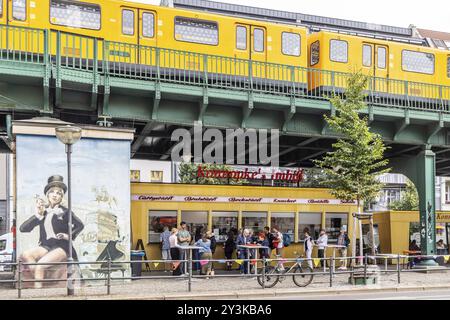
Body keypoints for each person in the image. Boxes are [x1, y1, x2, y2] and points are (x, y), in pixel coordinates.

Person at [19, 175, 84, 289]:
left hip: (62, 247)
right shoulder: (43, 211)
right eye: (52, 192)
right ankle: (40, 280)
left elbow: (80, 225)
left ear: (61, 197)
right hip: (47, 246)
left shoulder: (65, 212)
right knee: (26, 255)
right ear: (47, 194)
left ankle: (38, 293)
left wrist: (68, 235)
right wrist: (38, 215)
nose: (55, 195)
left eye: (59, 193)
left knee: (40, 266)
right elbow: (23, 229)